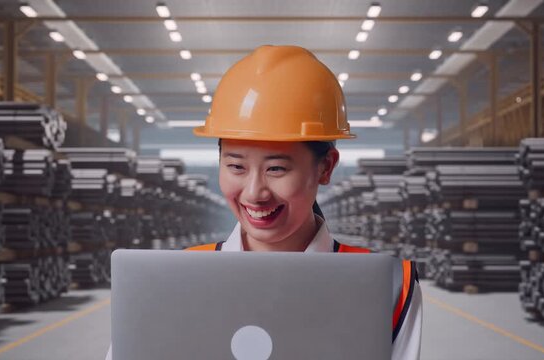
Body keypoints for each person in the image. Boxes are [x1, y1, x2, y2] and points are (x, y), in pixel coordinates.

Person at [105, 45, 421, 360]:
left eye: (276, 169)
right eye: (236, 167)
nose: (255, 192)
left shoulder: (388, 286)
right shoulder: (172, 281)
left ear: (325, 167)